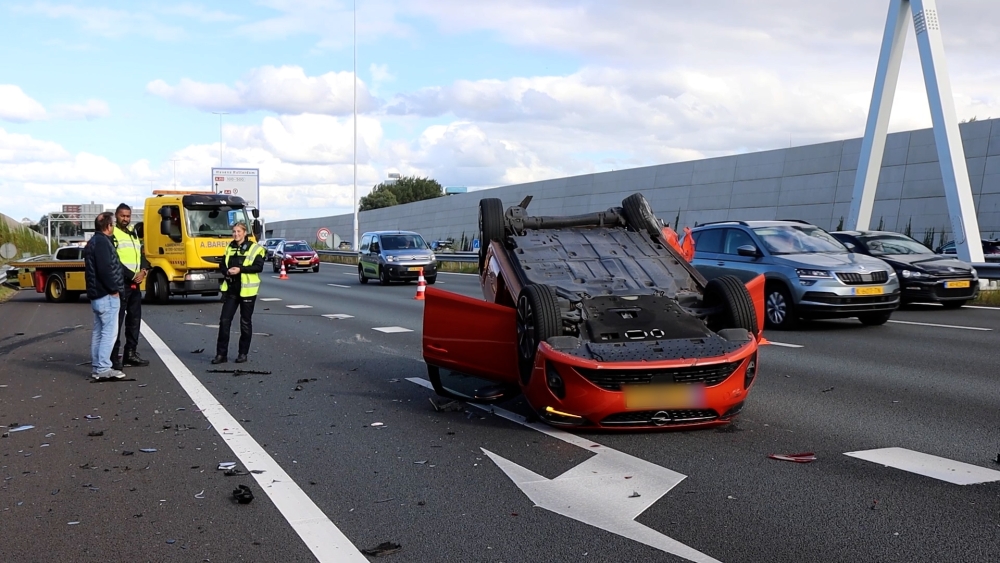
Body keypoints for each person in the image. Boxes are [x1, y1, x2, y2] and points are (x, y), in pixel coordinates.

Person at [212, 222, 265, 364]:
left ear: (244, 232)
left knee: (245, 323)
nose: (236, 234)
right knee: (224, 321)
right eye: (234, 231)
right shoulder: (230, 247)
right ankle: (221, 355)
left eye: (238, 231)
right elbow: (222, 264)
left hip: (247, 291)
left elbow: (258, 267)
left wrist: (240, 269)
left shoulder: (255, 248)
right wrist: (226, 271)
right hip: (231, 289)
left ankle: (243, 353)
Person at [84, 212, 126, 380]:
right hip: (106, 295)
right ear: (109, 226)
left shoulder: (92, 242)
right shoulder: (103, 242)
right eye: (113, 224)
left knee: (99, 333)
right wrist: (114, 289)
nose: (114, 227)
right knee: (109, 333)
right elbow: (105, 269)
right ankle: (103, 368)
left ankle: (97, 367)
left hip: (96, 295)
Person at [110, 203, 151, 371]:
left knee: (134, 320)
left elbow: (141, 254)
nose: (125, 219)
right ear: (116, 216)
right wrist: (131, 275)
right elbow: (114, 260)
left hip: (136, 283)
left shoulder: (133, 232)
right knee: (116, 322)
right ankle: (113, 357)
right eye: (122, 216)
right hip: (121, 283)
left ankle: (131, 353)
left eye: (128, 216)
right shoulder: (113, 233)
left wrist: (143, 270)